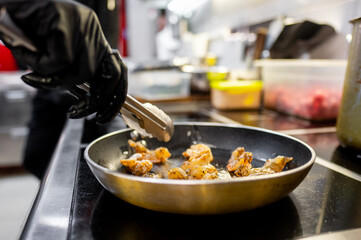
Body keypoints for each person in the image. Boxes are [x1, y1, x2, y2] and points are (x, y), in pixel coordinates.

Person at [0, 0, 128, 178]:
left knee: (88, 168)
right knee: (35, 157)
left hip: (87, 88)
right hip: (53, 87)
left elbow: (107, 33)